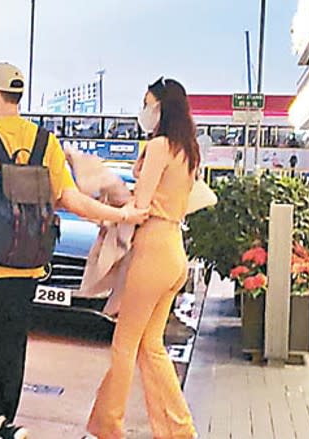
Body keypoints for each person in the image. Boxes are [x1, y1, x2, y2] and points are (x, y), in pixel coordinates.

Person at [0, 62, 148, 439]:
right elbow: (72, 199)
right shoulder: (45, 142)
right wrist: (121, 213)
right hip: (26, 269)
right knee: (8, 354)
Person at [86, 77, 199, 439]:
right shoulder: (188, 150)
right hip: (174, 252)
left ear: (162, 108)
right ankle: (178, 429)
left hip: (151, 250)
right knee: (151, 346)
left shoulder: (160, 147)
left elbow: (140, 205)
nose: (143, 110)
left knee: (125, 344)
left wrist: (109, 200)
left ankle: (109, 425)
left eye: (147, 103)